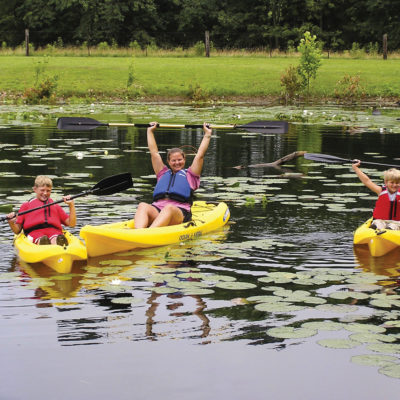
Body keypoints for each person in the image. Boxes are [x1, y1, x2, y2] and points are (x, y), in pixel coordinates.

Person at [134, 121, 213, 228]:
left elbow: (200, 155)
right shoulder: (162, 173)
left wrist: (207, 134)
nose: (177, 163)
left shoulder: (191, 175)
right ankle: (138, 233)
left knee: (169, 208)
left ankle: (148, 234)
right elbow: (154, 153)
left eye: (179, 159)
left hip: (179, 213)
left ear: (184, 159)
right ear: (168, 162)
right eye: (173, 160)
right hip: (158, 211)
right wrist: (150, 132)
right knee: (142, 205)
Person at [7, 175, 76, 245]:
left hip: (54, 232)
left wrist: (71, 205)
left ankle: (58, 243)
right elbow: (17, 230)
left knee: (55, 238)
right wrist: (11, 222)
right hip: (34, 232)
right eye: (42, 190)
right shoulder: (26, 206)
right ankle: (43, 243)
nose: (45, 193)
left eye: (48, 191)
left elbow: (71, 224)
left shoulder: (55, 206)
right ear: (35, 189)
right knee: (41, 238)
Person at [352, 160, 400, 230]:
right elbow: (367, 181)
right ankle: (375, 229)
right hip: (381, 220)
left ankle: (389, 231)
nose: (394, 185)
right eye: (392, 182)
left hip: (396, 222)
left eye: (397, 183)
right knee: (377, 223)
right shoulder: (380, 190)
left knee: (393, 226)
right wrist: (356, 168)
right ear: (386, 182)